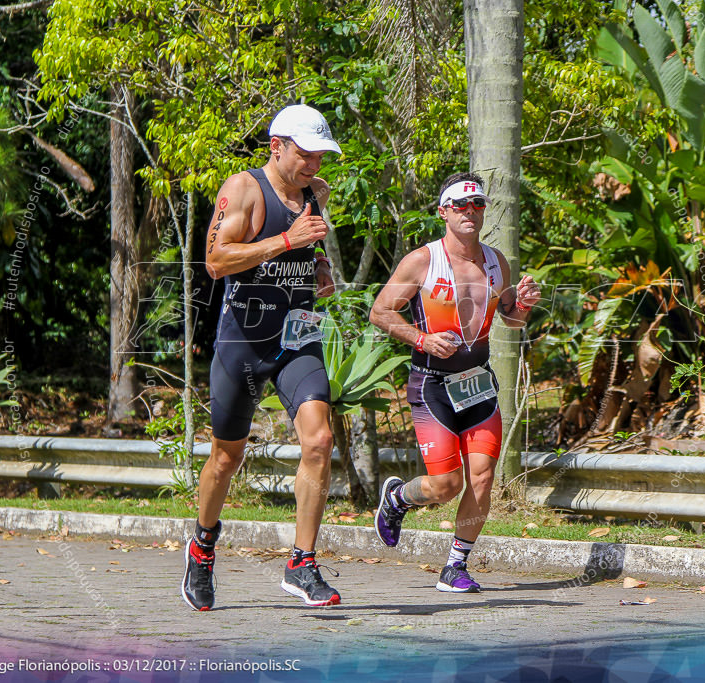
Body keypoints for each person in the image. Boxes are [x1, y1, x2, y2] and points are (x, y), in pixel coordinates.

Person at [182, 104, 342, 610]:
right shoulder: (245, 189)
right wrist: (285, 240)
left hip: (298, 336)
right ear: (277, 146)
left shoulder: (317, 194)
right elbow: (214, 261)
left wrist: (315, 265)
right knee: (226, 458)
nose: (314, 165)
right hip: (244, 344)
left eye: (321, 156)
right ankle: (203, 546)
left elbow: (307, 247)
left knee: (319, 439)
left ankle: (302, 563)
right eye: (305, 154)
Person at [369, 172, 541, 592]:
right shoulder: (423, 261)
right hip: (432, 384)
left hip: (478, 383)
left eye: (478, 204)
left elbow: (511, 319)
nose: (470, 211)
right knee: (447, 486)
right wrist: (422, 337)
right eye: (460, 205)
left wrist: (525, 306)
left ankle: (456, 565)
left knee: (482, 477)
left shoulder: (496, 261)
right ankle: (398, 498)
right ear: (444, 211)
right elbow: (380, 312)